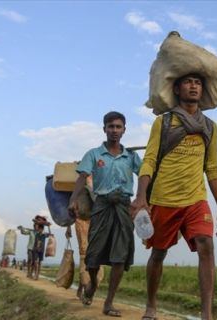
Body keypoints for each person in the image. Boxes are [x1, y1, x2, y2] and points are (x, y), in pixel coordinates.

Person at [131, 73, 217, 320]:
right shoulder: (163, 123)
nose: (193, 86)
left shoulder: (209, 127)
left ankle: (207, 314)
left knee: (206, 245)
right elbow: (149, 160)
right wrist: (141, 196)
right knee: (158, 254)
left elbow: (212, 167)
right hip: (164, 199)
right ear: (176, 88)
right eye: (188, 82)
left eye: (197, 82)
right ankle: (151, 305)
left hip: (196, 199)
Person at [68, 111, 142, 317]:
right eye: (111, 127)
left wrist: (144, 200)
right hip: (101, 206)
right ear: (104, 129)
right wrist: (73, 199)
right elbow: (83, 177)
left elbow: (146, 176)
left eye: (119, 127)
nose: (115, 130)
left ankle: (109, 302)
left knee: (120, 255)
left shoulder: (131, 157)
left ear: (124, 130)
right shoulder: (94, 154)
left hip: (124, 206)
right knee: (93, 255)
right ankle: (91, 284)